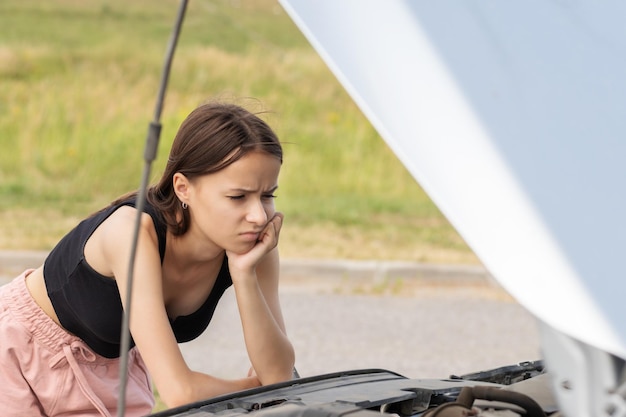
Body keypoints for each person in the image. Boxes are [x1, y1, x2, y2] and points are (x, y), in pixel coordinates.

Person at [0, 101, 296, 416]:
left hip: (112, 370)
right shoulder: (130, 234)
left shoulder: (254, 247)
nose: (257, 215)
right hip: (19, 355)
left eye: (268, 195)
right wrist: (255, 390)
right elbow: (181, 392)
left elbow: (278, 375)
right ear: (183, 188)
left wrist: (244, 276)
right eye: (238, 197)